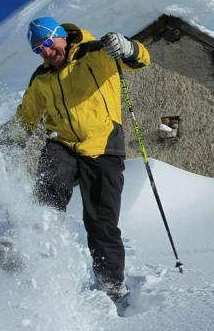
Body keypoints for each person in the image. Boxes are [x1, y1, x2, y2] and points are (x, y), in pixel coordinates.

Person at [15, 16, 150, 306]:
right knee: (49, 183)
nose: (46, 53)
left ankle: (112, 285)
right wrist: (7, 143)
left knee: (101, 223)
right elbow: (26, 116)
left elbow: (141, 58)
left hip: (103, 147)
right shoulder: (42, 78)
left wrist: (127, 48)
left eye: (48, 44)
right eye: (39, 50)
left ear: (60, 35)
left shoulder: (96, 53)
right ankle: (32, 250)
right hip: (63, 143)